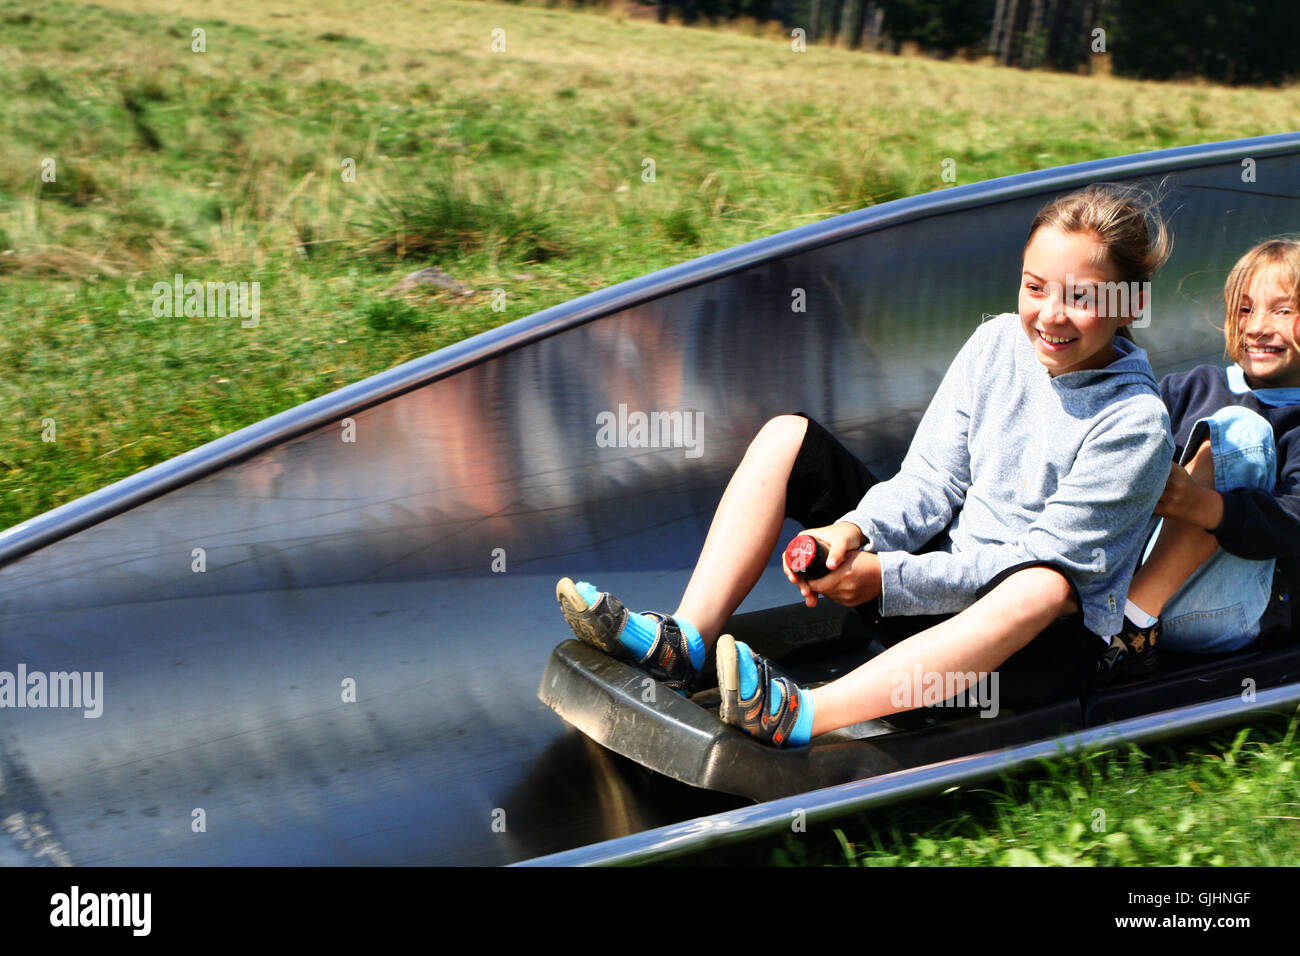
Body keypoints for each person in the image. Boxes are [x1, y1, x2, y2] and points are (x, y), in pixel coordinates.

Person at [556, 183, 1174, 748]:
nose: (1049, 315)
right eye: (1035, 287)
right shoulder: (996, 344)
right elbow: (933, 481)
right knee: (786, 437)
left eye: (1079, 298)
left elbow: (1036, 563)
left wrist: (891, 579)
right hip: (931, 588)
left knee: (1043, 586)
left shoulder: (1135, 422)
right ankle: (685, 643)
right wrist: (852, 534)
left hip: (1024, 651)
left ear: (1130, 304)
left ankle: (801, 716)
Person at [1101, 238, 1300, 679]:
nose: (1258, 327)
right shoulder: (1188, 387)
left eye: (1283, 311)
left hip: (1234, 609)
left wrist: (1204, 507)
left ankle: (1129, 626)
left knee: (1241, 430)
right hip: (1137, 577)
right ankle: (1117, 610)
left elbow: (1294, 522)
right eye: (1245, 309)